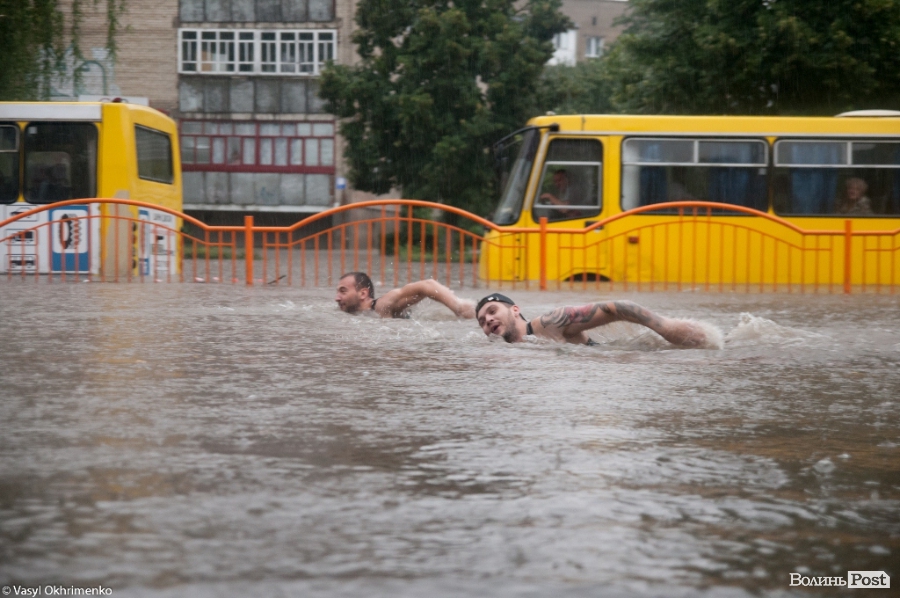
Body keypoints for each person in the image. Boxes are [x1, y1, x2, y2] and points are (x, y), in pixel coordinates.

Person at [475, 293, 720, 348]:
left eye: (492, 311)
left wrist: (667, 328)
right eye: (483, 321)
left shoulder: (549, 323)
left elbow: (616, 307)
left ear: (515, 310)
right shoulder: (505, 351)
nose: (489, 320)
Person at [335, 272, 476, 319]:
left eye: (343, 291)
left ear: (363, 293)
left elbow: (428, 285)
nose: (337, 297)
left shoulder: (381, 304)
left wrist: (458, 307)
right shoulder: (362, 314)